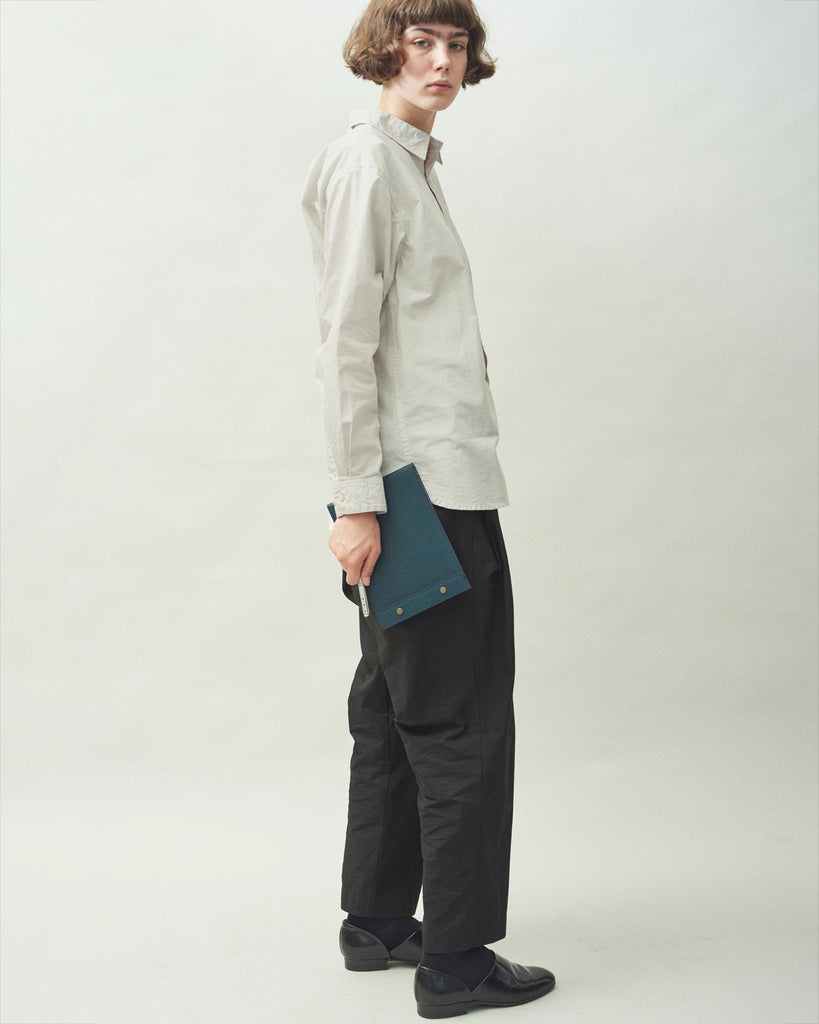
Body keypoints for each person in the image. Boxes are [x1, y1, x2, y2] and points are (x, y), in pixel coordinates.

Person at [301, 0, 556, 1017]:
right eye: (421, 42)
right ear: (384, 49)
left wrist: (365, 495)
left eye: (456, 44)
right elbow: (344, 343)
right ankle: (455, 958)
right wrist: (357, 502)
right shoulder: (372, 164)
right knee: (461, 718)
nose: (442, 61)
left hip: (417, 484)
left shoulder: (404, 162)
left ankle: (375, 921)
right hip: (423, 491)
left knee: (393, 707)